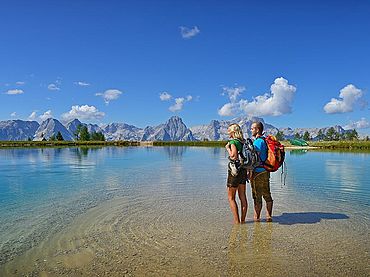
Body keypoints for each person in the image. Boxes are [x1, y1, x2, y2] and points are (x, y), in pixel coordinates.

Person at [250, 121, 273, 222]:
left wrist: (249, 171)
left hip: (257, 173)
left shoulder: (257, 142)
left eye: (252, 128)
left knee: (257, 197)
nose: (251, 130)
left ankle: (256, 218)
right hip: (265, 171)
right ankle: (268, 216)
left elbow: (253, 158)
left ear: (257, 129)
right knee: (267, 194)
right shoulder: (264, 141)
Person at [225, 123, 248, 224]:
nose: (227, 131)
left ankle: (237, 222)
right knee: (242, 196)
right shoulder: (243, 142)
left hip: (235, 171)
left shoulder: (233, 141)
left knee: (231, 198)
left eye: (229, 130)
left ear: (233, 131)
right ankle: (243, 220)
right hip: (243, 170)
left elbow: (234, 156)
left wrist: (228, 149)